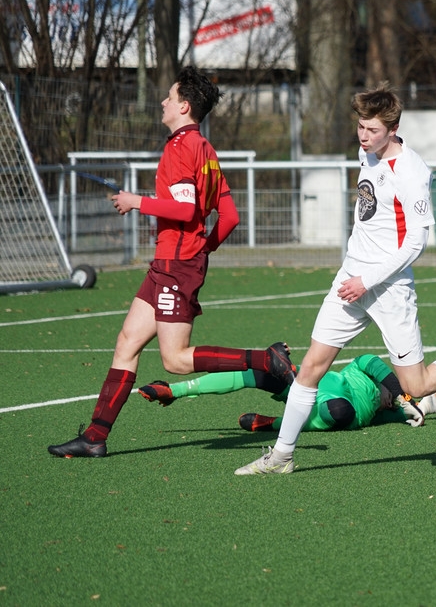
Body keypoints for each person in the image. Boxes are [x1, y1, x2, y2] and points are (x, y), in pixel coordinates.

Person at [235, 82, 436, 475]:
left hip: (389, 288)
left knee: (417, 385)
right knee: (310, 368)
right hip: (350, 280)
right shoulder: (368, 153)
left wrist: (369, 279)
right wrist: (356, 275)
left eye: (372, 130)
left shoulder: (412, 172)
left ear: (393, 129)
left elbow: (416, 242)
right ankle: (281, 457)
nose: (363, 136)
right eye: (360, 127)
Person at [48, 66, 295, 459]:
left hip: (175, 265)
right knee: (127, 342)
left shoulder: (181, 147)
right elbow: (229, 217)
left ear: (184, 106)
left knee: (175, 360)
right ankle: (94, 437)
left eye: (169, 96)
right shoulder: (205, 149)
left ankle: (266, 360)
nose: (163, 101)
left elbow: (185, 209)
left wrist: (136, 202)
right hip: (172, 263)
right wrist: (203, 249)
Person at [137, 354, 436, 437]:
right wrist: (404, 395)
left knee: (340, 413)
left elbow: (398, 416)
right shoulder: (364, 370)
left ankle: (273, 423)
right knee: (256, 373)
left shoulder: (374, 412)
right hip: (307, 380)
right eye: (392, 394)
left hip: (331, 410)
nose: (390, 401)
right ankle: (175, 390)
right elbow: (373, 362)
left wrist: (423, 407)